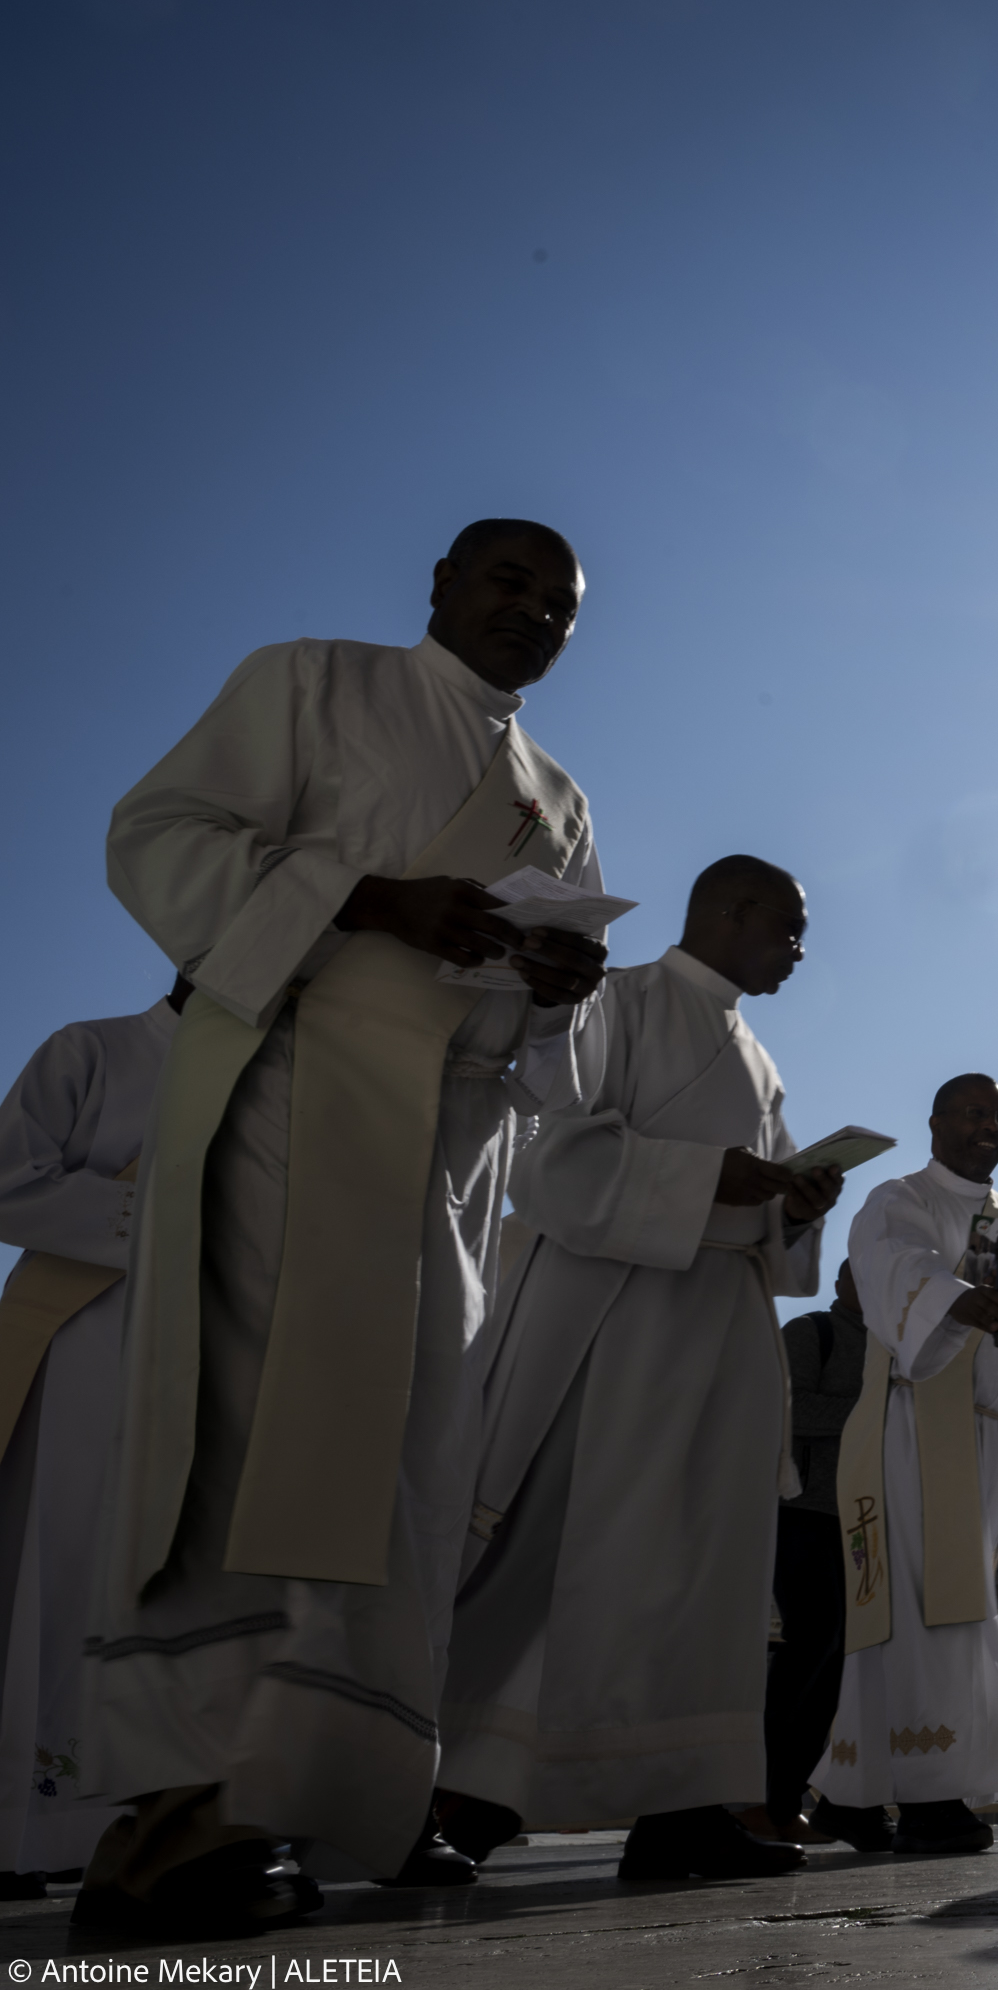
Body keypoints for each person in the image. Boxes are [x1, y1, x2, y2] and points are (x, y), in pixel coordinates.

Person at [86, 519, 610, 1931]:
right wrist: (374, 898)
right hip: (286, 1095)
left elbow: (533, 1052)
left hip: (437, 1160)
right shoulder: (312, 681)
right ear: (440, 583)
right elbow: (158, 836)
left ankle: (333, 1794)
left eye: (560, 604)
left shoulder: (557, 797)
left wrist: (556, 985)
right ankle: (186, 1817)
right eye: (508, 582)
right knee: (260, 1445)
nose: (532, 613)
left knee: (401, 1474)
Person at [437, 856, 838, 1880]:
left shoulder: (754, 1052)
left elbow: (768, 1206)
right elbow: (551, 1157)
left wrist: (794, 1205)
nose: (800, 949)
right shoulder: (619, 1004)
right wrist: (711, 1177)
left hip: (716, 1330)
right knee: (564, 1553)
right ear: (732, 910)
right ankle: (464, 1788)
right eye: (790, 927)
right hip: (618, 1325)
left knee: (705, 1573)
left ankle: (684, 1806)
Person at [812, 1075, 998, 1853]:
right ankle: (930, 1797)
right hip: (913, 1423)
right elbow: (892, 1269)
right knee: (924, 1610)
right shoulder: (897, 1198)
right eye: (971, 1112)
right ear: (935, 1123)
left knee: (951, 1607)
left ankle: (852, 1794)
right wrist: (956, 1297)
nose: (987, 1126)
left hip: (985, 1437)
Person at [0, 982, 187, 1892]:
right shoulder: (94, 1049)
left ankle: (150, 1821)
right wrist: (165, 1220)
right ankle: (26, 1829)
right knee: (58, 1569)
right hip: (81, 1345)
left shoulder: (290, 1081)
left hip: (206, 1360)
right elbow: (6, 1180)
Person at [760, 1259, 869, 1848]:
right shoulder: (810, 1334)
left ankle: (787, 1795)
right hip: (800, 1511)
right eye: (861, 1273)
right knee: (815, 1642)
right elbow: (787, 1407)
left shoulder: (897, 1351)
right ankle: (764, 1792)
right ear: (840, 1283)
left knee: (838, 1660)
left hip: (860, 1523)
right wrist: (868, 1414)